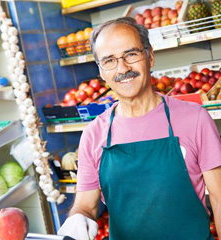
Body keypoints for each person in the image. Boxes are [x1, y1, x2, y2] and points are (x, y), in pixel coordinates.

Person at [58, 17, 221, 240]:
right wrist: (78, 216)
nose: (123, 68)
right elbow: (87, 205)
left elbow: (220, 199)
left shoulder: (195, 119)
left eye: (131, 54)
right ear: (101, 71)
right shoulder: (93, 134)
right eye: (109, 61)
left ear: (150, 57)